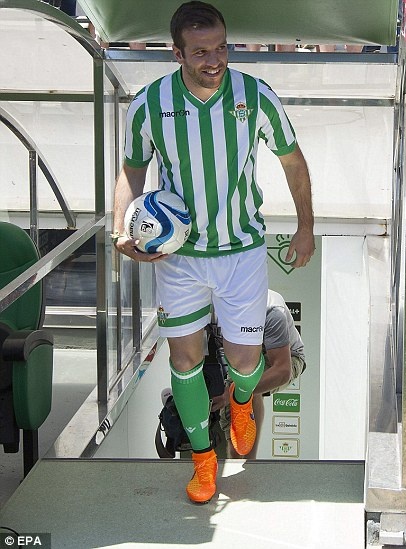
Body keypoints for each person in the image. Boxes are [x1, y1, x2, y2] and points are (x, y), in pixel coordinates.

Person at [111, 1, 315, 504]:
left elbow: (293, 163)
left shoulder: (256, 96)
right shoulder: (149, 103)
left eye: (221, 47)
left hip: (242, 250)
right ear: (176, 52)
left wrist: (305, 226)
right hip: (177, 257)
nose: (214, 59)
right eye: (201, 51)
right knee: (184, 360)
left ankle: (243, 401)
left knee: (246, 362)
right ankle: (204, 464)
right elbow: (131, 171)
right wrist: (120, 232)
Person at [209, 289, 306, 458]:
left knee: (245, 378)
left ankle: (245, 460)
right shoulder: (207, 305)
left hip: (287, 357)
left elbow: (282, 370)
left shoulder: (271, 310)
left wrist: (231, 392)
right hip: (235, 354)